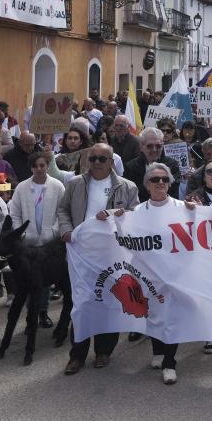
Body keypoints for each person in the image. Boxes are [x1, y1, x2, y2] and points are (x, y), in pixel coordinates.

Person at [98, 163, 196, 384]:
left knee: (171, 318)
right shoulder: (137, 212)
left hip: (174, 275)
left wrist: (197, 210)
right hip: (147, 275)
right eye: (155, 179)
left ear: (170, 183)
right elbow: (123, 238)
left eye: (164, 179)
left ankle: (170, 363)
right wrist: (114, 219)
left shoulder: (183, 208)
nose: (160, 183)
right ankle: (158, 351)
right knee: (153, 315)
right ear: (147, 185)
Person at [56, 144, 139, 374]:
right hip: (81, 253)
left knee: (109, 301)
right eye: (93, 158)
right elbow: (62, 210)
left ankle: (104, 351)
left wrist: (117, 215)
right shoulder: (75, 184)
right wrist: (66, 230)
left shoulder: (127, 187)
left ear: (111, 161)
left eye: (102, 158)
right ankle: (77, 355)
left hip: (112, 254)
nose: (97, 162)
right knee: (82, 303)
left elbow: (135, 216)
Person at [8, 153, 65, 327]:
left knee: (44, 279)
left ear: (47, 165)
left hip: (49, 242)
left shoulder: (57, 186)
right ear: (31, 167)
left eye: (42, 165)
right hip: (28, 242)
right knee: (27, 279)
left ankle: (42, 313)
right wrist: (20, 232)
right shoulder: (22, 187)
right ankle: (30, 315)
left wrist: (54, 231)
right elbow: (15, 212)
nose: (39, 169)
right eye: (35, 166)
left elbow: (62, 211)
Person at [124, 128, 182, 197]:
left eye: (158, 146)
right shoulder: (131, 167)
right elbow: (130, 193)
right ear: (141, 147)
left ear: (162, 146)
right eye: (149, 146)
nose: (154, 150)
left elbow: (173, 190)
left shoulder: (172, 165)